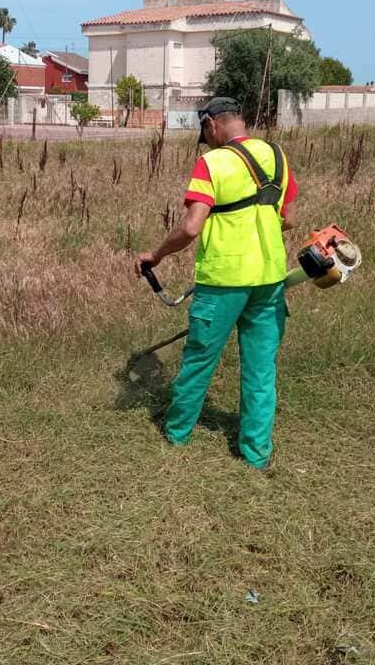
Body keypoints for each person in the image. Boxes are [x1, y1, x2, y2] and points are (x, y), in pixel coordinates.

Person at [134, 97, 299, 471]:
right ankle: (256, 454)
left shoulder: (211, 162)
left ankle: (177, 435)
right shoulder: (276, 155)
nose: (205, 141)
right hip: (270, 280)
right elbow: (287, 217)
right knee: (261, 370)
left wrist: (155, 256)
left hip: (223, 281)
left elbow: (191, 227)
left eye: (204, 134)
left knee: (198, 362)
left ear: (210, 124)